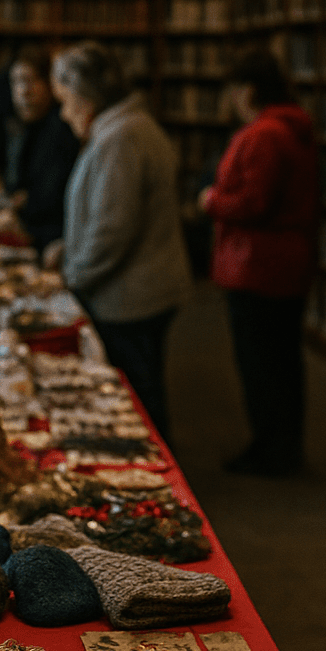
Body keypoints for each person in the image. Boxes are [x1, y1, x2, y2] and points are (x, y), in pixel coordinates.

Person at [52, 41, 191, 439]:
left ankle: (155, 484)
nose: (64, 113)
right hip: (139, 287)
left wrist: (73, 277)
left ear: (85, 96)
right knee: (143, 388)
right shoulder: (125, 127)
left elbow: (112, 230)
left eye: (65, 100)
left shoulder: (121, 138)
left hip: (132, 295)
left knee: (139, 397)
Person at [200, 48, 318, 477]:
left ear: (246, 91)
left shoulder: (263, 135)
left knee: (260, 364)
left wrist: (211, 200)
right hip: (286, 263)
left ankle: (271, 450)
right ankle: (282, 445)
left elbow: (254, 202)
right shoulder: (293, 128)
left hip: (256, 265)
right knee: (283, 360)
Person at [6, 44, 80, 252]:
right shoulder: (24, 126)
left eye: (30, 80)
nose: (23, 91)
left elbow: (52, 200)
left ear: (50, 84)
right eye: (16, 82)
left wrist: (24, 202)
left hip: (54, 244)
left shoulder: (61, 128)